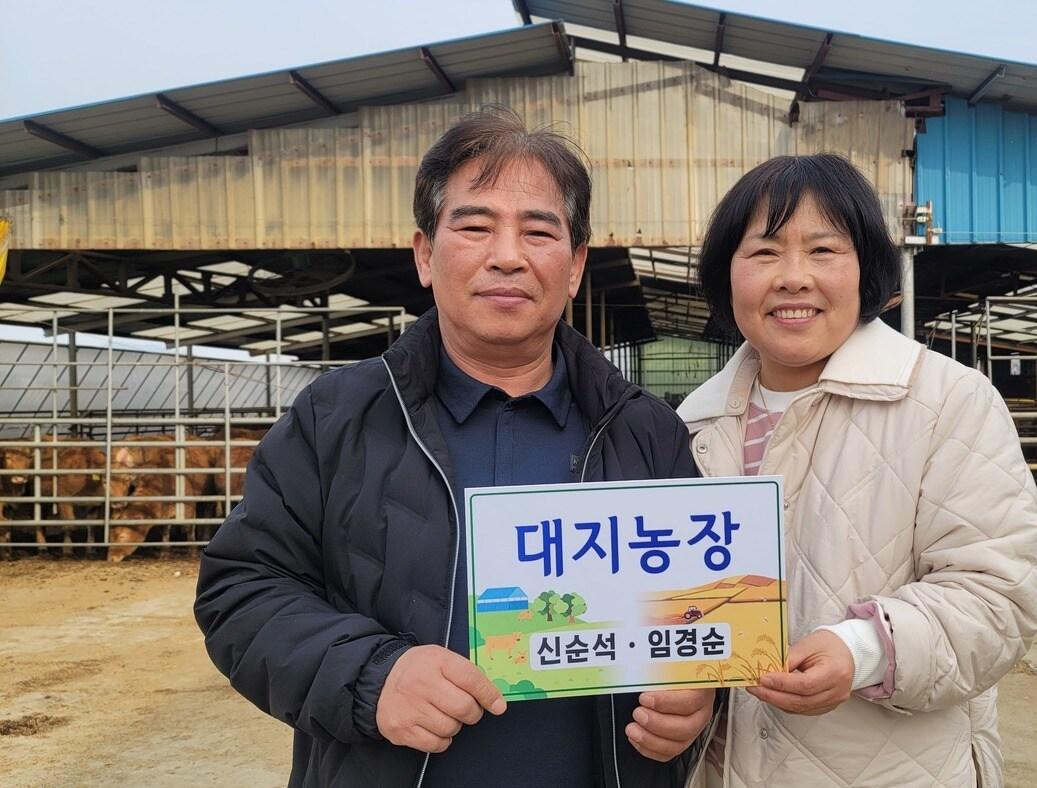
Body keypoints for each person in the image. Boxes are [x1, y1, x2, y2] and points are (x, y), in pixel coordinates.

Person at [195, 111, 713, 788]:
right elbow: (242, 590)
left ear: (577, 263)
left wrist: (698, 698)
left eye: (539, 230)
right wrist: (372, 677)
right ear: (423, 253)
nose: (507, 255)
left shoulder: (646, 431)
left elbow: (704, 612)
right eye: (474, 226)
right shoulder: (336, 419)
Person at [677, 154, 1037, 788]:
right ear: (726, 276)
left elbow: (998, 597)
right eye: (763, 253)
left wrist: (862, 648)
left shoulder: (944, 402)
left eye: (824, 250)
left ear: (866, 270)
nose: (793, 278)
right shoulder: (694, 423)